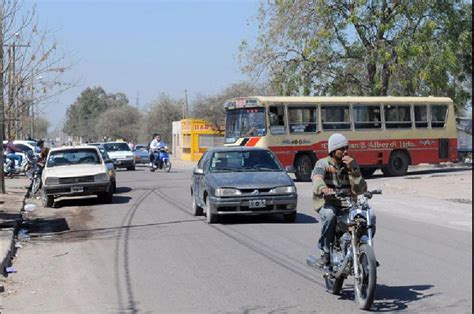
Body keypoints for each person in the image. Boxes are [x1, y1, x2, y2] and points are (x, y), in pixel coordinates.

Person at [311, 133, 370, 267]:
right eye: (341, 149)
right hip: (329, 203)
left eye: (346, 148)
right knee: (330, 215)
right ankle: (325, 253)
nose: (345, 152)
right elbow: (317, 179)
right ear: (333, 150)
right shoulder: (322, 163)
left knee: (368, 216)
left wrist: (354, 170)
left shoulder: (350, 165)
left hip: (349, 204)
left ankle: (364, 250)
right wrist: (323, 189)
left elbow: (361, 188)